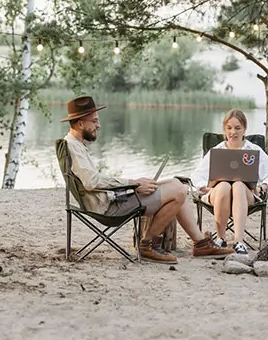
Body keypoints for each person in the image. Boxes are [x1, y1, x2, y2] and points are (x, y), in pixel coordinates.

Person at [61, 95, 233, 263]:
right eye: (95, 121)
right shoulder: (73, 146)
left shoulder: (74, 144)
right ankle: (147, 244)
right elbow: (92, 182)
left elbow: (94, 182)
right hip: (108, 208)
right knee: (179, 191)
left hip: (112, 199)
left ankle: (201, 243)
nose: (98, 125)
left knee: (176, 184)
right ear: (81, 123)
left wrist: (135, 186)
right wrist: (134, 184)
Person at [190, 109, 268, 254]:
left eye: (238, 128)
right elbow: (196, 176)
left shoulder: (254, 150)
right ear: (224, 130)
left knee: (238, 185)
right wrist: (206, 189)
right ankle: (220, 238)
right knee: (224, 186)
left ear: (245, 129)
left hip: (245, 195)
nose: (233, 132)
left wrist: (262, 186)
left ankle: (239, 241)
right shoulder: (216, 151)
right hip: (218, 194)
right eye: (229, 128)